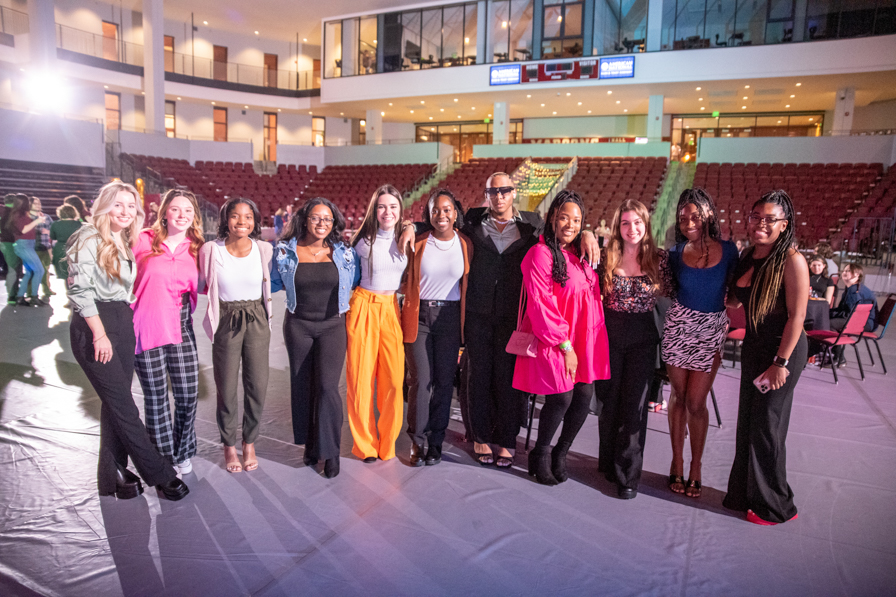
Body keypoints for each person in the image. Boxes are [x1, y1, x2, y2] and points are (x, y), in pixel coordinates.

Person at [401, 172, 598, 468]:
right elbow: (436, 222)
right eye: (493, 191)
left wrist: (587, 233)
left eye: (505, 190)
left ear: (513, 192)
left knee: (509, 381)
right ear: (486, 194)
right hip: (476, 315)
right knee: (478, 378)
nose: (499, 196)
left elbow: (562, 233)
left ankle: (506, 440)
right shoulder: (471, 222)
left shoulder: (531, 226)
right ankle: (480, 435)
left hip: (514, 318)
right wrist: (408, 226)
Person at [66, 181, 188, 501]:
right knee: (125, 406)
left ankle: (113, 475)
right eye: (118, 204)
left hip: (123, 321)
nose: (125, 211)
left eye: (131, 206)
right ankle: (159, 473)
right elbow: (79, 291)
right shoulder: (87, 236)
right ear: (105, 204)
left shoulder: (122, 239)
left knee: (114, 405)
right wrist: (100, 334)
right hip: (96, 327)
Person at [512, 190, 610, 485]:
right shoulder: (540, 254)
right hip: (552, 338)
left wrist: (590, 235)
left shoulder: (580, 253)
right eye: (564, 217)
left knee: (584, 396)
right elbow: (541, 305)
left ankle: (560, 453)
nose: (570, 224)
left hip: (582, 339)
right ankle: (540, 453)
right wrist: (565, 345)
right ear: (553, 217)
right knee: (562, 395)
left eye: (577, 220)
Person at [723, 190, 809, 525]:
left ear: (784, 224)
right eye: (756, 217)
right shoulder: (748, 255)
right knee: (748, 423)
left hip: (781, 351)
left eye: (769, 219)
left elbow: (796, 318)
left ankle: (774, 506)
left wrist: (781, 363)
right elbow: (734, 301)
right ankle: (744, 494)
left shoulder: (792, 260)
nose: (760, 224)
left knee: (767, 428)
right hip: (754, 349)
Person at [272, 198, 359, 478]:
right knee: (303, 386)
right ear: (305, 220)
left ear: (334, 223)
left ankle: (331, 451)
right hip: (298, 325)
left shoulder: (344, 253)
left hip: (333, 326)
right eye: (316, 218)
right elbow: (269, 281)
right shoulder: (285, 251)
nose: (322, 223)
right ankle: (311, 446)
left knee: (328, 388)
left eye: (328, 219)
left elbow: (355, 281)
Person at [661, 188, 739, 498]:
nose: (689, 222)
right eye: (683, 218)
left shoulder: (730, 250)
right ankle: (677, 462)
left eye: (695, 216)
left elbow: (734, 297)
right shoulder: (676, 253)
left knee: (696, 401)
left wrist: (727, 303)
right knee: (679, 396)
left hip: (711, 329)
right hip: (679, 326)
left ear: (708, 216)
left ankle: (696, 466)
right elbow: (666, 287)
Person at [595, 200, 673, 499]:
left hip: (643, 336)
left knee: (635, 407)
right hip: (610, 335)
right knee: (609, 403)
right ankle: (608, 462)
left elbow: (673, 297)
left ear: (646, 225)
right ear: (618, 227)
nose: (632, 229)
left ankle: (629, 474)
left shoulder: (660, 259)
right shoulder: (605, 257)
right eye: (626, 223)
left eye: (637, 222)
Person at [198, 198, 273, 474]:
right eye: (235, 216)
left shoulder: (264, 249)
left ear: (256, 221)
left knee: (258, 385)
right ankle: (229, 445)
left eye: (248, 216)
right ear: (225, 219)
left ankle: (249, 442)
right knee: (226, 387)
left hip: (256, 318)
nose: (242, 221)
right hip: (227, 318)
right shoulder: (210, 250)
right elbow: (200, 283)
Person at [132, 189, 204, 475]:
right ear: (164, 212)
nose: (182, 215)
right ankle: (162, 456)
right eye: (176, 209)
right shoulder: (142, 240)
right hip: (145, 326)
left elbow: (212, 282)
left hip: (181, 325)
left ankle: (183, 450)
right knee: (156, 398)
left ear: (194, 215)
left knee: (187, 394)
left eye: (188, 210)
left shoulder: (198, 247)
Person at [401, 188, 472, 467]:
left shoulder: (466, 243)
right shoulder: (417, 241)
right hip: (420, 317)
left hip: (450, 318)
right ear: (428, 215)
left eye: (446, 209)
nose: (441, 215)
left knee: (444, 383)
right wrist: (408, 226)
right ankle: (417, 441)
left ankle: (436, 442)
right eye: (435, 210)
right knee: (420, 381)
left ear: (455, 213)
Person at [346, 185, 409, 463]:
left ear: (400, 211)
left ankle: (387, 444)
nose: (388, 212)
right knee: (361, 381)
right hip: (363, 306)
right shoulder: (362, 241)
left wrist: (411, 227)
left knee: (394, 382)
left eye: (393, 206)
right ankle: (365, 445)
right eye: (382, 206)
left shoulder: (407, 237)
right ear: (374, 209)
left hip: (391, 309)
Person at [828, 263, 878, 368]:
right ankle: (833, 354)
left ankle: (839, 357)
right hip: (861, 320)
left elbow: (851, 313)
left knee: (829, 324)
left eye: (847, 271)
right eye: (844, 270)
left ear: (856, 274)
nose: (844, 273)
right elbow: (844, 310)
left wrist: (832, 314)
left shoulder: (855, 291)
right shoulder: (851, 288)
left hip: (865, 323)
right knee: (828, 319)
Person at [6, 194, 47, 307]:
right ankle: (34, 297)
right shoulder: (18, 215)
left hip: (26, 245)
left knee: (29, 273)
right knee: (39, 271)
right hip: (24, 245)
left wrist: (37, 217)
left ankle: (20, 297)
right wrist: (37, 221)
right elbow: (23, 230)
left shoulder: (20, 214)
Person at [50, 204, 82, 284]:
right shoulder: (78, 224)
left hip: (60, 249)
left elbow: (53, 237)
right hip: (75, 249)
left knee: (65, 275)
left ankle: (69, 292)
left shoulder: (55, 224)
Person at [31, 197, 55, 299]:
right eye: (35, 203)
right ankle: (31, 293)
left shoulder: (47, 217)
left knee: (46, 270)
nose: (38, 205)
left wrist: (48, 232)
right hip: (33, 248)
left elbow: (54, 231)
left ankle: (47, 290)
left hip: (45, 247)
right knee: (33, 271)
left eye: (39, 203)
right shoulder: (28, 217)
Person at [1, 194, 22, 304]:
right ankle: (12, 296)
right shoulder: (13, 214)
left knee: (13, 268)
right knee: (14, 269)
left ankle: (14, 292)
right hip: (11, 243)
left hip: (4, 243)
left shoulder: (2, 211)